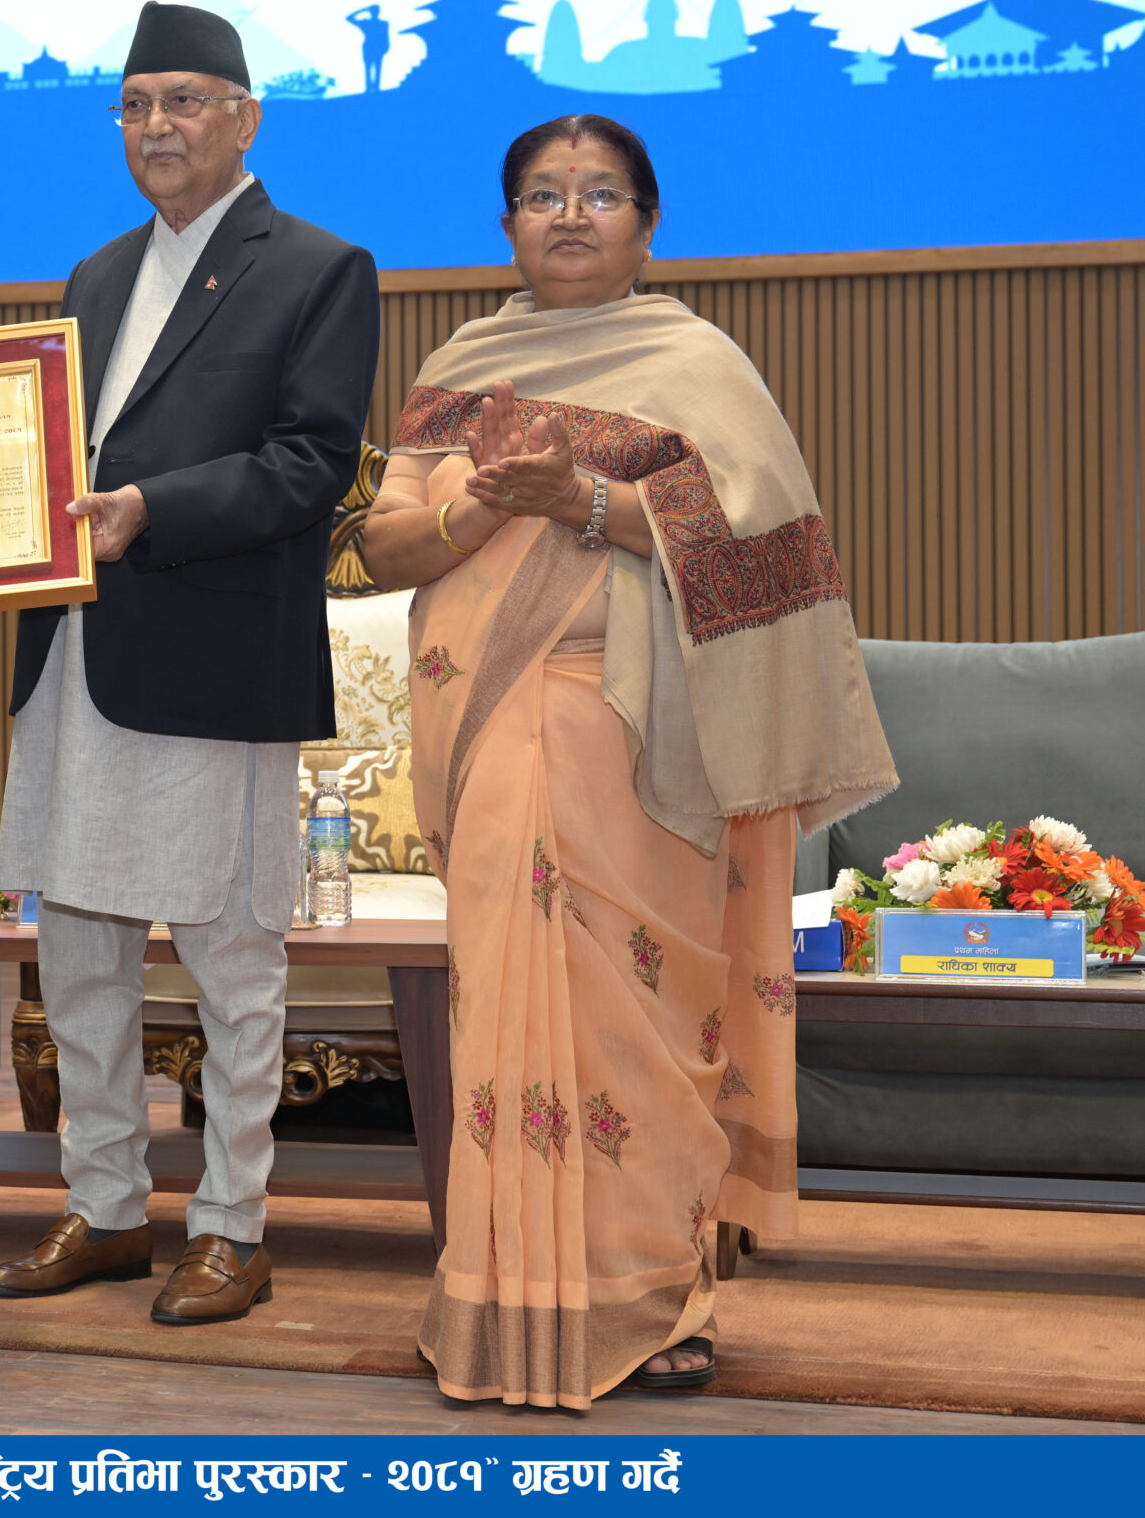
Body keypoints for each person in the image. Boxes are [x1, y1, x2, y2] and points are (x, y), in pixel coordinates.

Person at [359, 114, 895, 1406]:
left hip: (641, 739)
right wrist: (484, 501)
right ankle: (495, 1297)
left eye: (601, 194)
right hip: (488, 730)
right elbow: (382, 546)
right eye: (543, 195)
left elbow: (771, 555)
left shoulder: (696, 367)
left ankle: (663, 1301)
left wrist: (591, 503)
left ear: (649, 224)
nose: (570, 214)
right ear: (504, 225)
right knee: (505, 1013)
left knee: (644, 1025)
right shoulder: (461, 367)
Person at [0, 2, 379, 1326]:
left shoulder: (317, 267)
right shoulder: (95, 274)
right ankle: (103, 1207)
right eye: (136, 103)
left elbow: (311, 465)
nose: (157, 127)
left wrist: (155, 507)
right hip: (75, 654)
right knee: (77, 951)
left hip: (212, 660)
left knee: (229, 957)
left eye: (185, 101)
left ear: (245, 119)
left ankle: (231, 1227)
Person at [346, 4, 390, 94]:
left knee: (376, 67)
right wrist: (363, 10)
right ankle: (369, 87)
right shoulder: (369, 23)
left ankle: (375, 87)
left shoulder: (382, 23)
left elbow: (385, 36)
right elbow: (348, 18)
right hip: (370, 47)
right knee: (369, 67)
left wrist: (386, 47)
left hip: (375, 47)